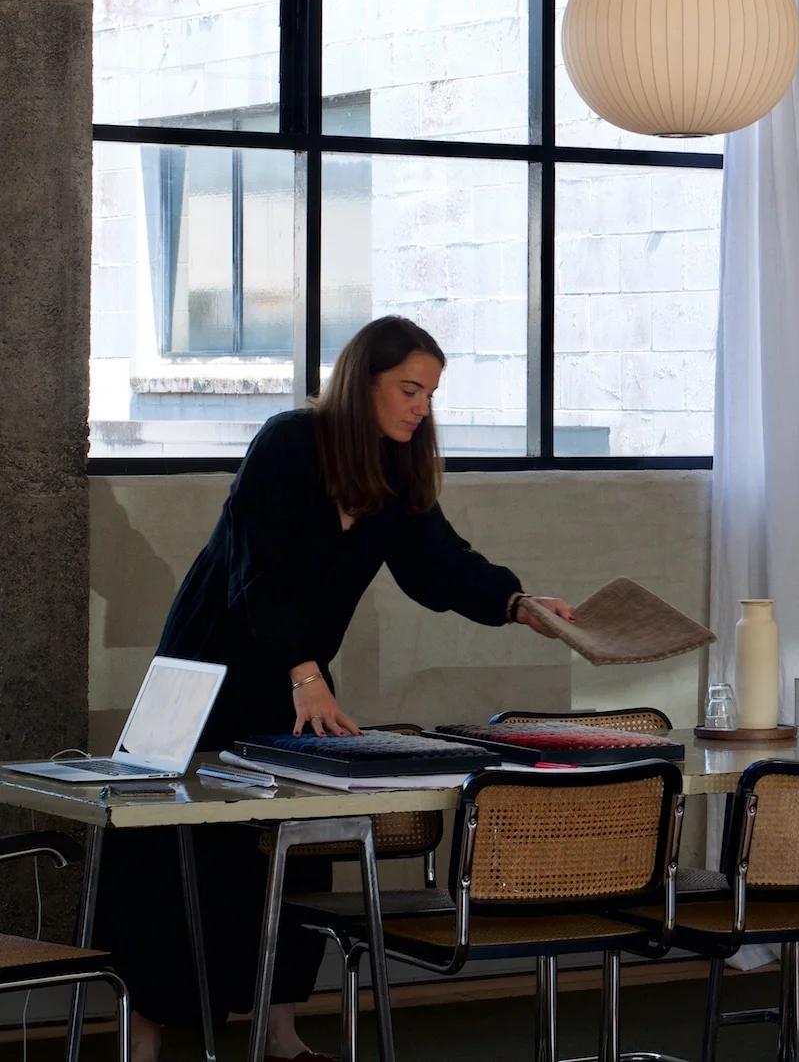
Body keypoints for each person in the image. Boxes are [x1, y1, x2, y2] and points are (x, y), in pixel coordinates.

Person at [97, 316, 578, 1062]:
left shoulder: (396, 475)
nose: (422, 407)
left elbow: (440, 565)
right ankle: (143, 1039)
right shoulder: (289, 444)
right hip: (208, 680)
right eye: (409, 388)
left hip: (301, 683)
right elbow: (258, 574)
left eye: (430, 394)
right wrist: (304, 673)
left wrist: (518, 604)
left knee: (298, 846)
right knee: (178, 860)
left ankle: (282, 1032)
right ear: (364, 382)